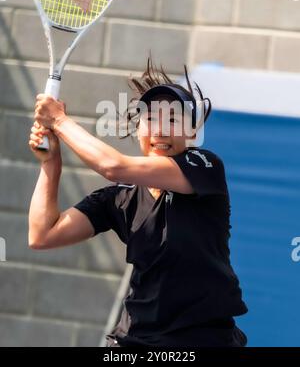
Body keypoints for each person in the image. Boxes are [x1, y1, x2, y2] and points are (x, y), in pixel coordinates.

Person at [28, 58, 248, 347]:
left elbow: (112, 165)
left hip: (202, 341)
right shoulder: (119, 198)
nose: (160, 130)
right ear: (138, 129)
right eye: (151, 119)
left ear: (192, 133)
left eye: (173, 119)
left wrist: (59, 120)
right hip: (133, 341)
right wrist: (51, 162)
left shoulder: (204, 166)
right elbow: (43, 234)